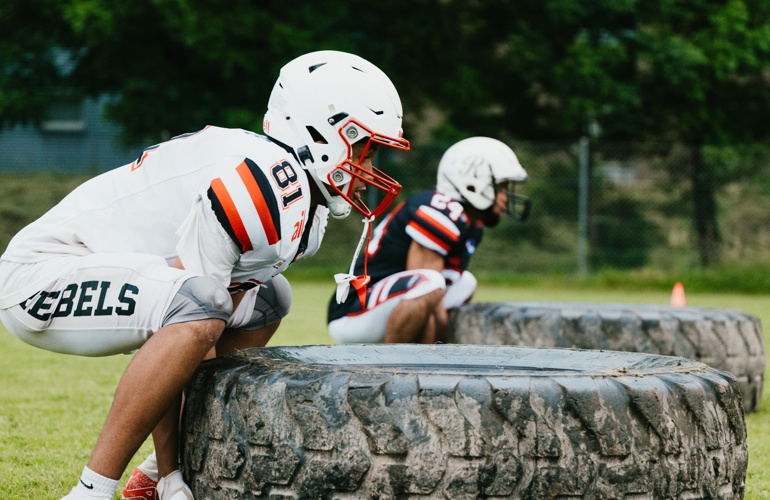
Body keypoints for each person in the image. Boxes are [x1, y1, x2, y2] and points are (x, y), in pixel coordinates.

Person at [0, 50, 410, 500]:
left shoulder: (297, 199)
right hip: (40, 278)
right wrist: (175, 478)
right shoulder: (263, 182)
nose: (370, 172)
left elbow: (197, 322)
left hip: (108, 274)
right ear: (323, 132)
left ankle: (156, 473)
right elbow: (188, 310)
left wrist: (170, 469)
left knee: (270, 300)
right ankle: (91, 491)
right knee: (201, 305)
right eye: (366, 151)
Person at [327, 136, 531, 344]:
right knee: (430, 282)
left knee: (465, 282)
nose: (506, 196)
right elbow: (428, 291)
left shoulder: (471, 224)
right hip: (353, 313)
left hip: (390, 304)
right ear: (474, 182)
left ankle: (426, 357)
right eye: (502, 187)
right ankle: (394, 365)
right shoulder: (441, 211)